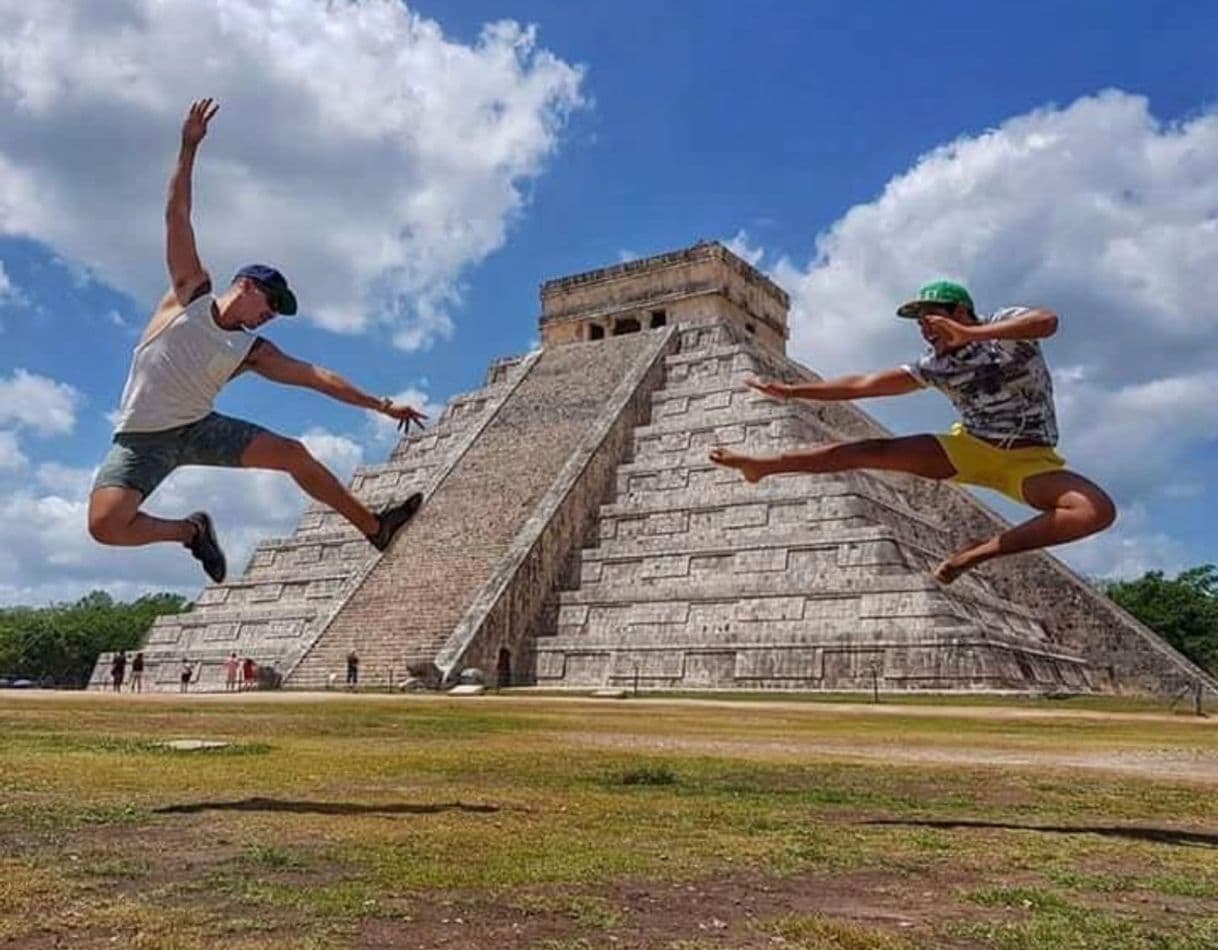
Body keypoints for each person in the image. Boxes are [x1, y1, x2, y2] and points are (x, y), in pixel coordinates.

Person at [86, 99, 427, 583]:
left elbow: (316, 378)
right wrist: (188, 148)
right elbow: (176, 215)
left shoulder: (251, 351)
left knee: (293, 453)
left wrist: (382, 404)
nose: (270, 315)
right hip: (142, 439)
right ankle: (191, 533)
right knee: (105, 526)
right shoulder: (190, 293)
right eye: (269, 302)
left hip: (200, 428)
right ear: (244, 285)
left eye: (276, 312)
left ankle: (376, 527)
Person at [709, 280, 1116, 584]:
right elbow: (864, 385)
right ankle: (761, 466)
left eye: (931, 319)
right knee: (870, 450)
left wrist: (973, 336)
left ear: (960, 311)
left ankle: (973, 556)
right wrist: (792, 390)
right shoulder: (933, 365)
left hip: (1028, 462)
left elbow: (1047, 322)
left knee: (1094, 512)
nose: (925, 330)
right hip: (970, 448)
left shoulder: (1006, 326)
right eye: (921, 325)